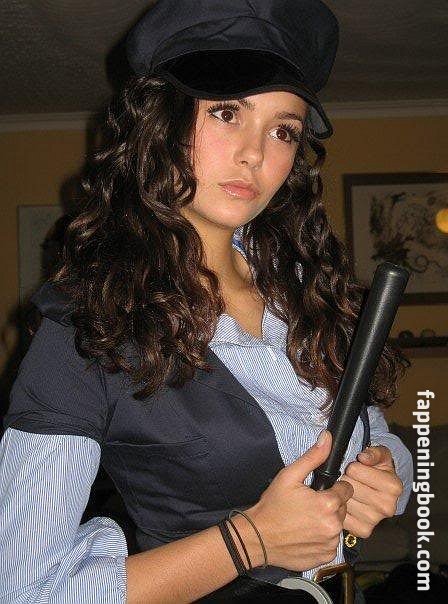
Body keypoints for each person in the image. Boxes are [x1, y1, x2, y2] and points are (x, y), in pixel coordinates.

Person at [0, 1, 413, 603]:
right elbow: (28, 590)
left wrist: (384, 471)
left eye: (283, 130)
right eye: (226, 112)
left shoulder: (303, 291)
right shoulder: (86, 325)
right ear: (158, 123)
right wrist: (250, 541)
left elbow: (373, 430)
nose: (254, 153)